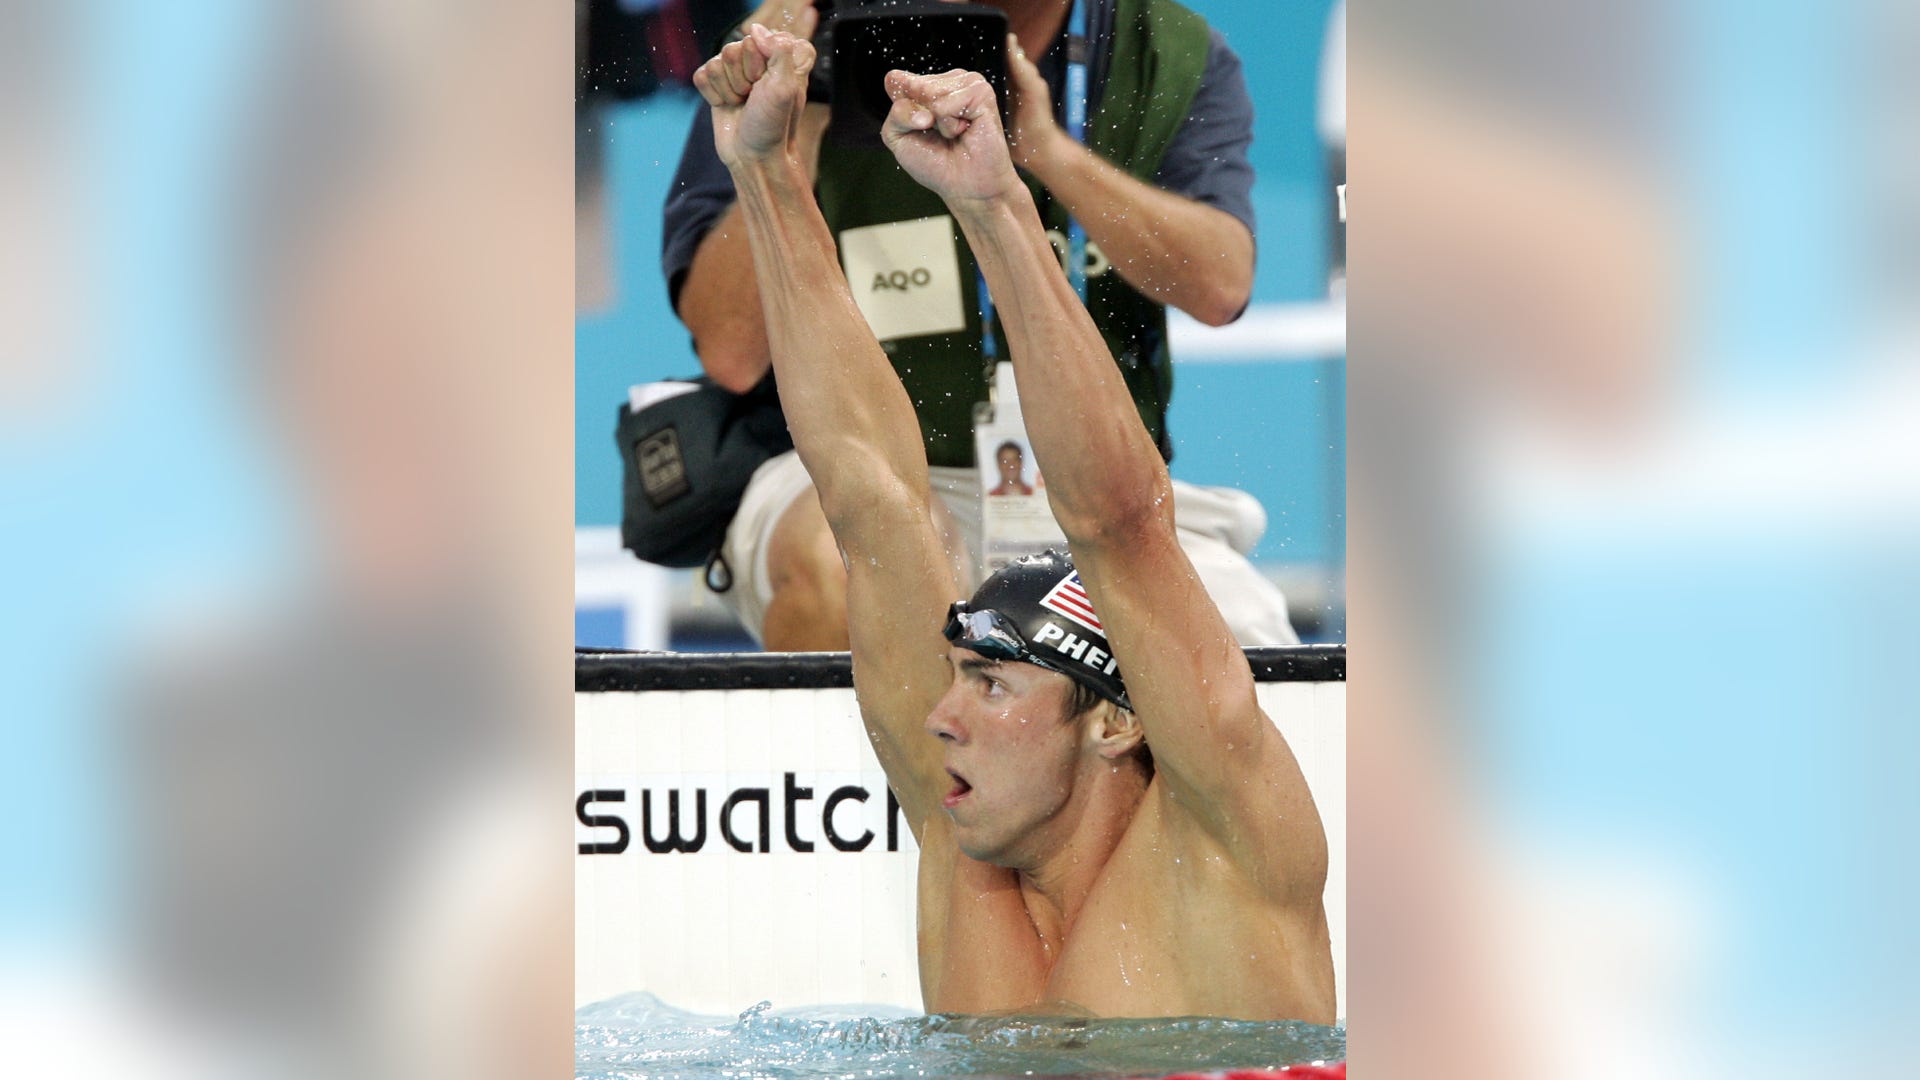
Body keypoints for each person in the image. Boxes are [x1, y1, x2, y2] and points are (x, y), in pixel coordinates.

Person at [691, 24, 1333, 1020]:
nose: (942, 715)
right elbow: (871, 495)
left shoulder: (1225, 850)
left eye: (990, 682)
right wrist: (765, 171)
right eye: (960, 677)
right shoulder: (967, 846)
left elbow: (1121, 525)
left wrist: (995, 209)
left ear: (1118, 719)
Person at [664, 0, 1301, 651]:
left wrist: (1047, 152)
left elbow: (1220, 286)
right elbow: (730, 352)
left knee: (1242, 653)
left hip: (1096, 479)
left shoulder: (1162, 49)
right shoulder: (796, 40)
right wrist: (791, 131)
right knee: (850, 560)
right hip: (862, 469)